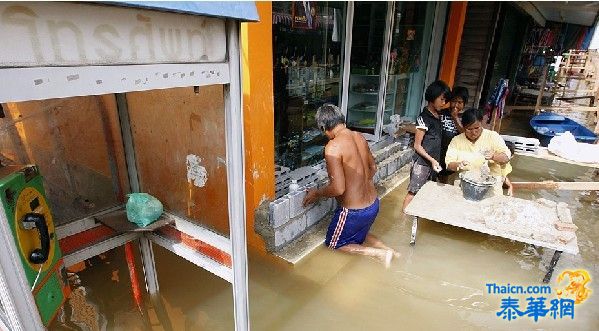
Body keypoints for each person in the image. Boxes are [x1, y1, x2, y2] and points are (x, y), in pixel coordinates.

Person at [302, 104, 399, 268]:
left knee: (334, 244)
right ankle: (391, 251)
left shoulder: (333, 147)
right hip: (373, 204)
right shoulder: (358, 136)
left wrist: (317, 193)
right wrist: (359, 185)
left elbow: (338, 188)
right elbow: (373, 168)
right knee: (360, 235)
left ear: (324, 127)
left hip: (354, 212)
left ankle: (379, 253)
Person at [402, 80, 451, 212]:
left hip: (433, 163)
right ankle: (404, 219)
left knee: (426, 192)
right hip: (422, 163)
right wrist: (432, 160)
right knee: (413, 193)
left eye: (445, 100)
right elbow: (417, 146)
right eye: (441, 99)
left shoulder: (438, 116)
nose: (443, 103)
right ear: (432, 97)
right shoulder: (423, 118)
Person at [445, 108, 512, 195]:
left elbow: (506, 158)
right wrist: (458, 164)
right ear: (463, 127)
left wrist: (494, 156)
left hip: (490, 187)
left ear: (481, 123)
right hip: (464, 185)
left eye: (477, 128)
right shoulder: (457, 140)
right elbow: (449, 164)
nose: (473, 132)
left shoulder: (492, 137)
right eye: (469, 129)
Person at [438, 86, 468, 183]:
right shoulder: (442, 113)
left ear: (464, 104)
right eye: (454, 101)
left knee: (446, 180)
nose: (456, 105)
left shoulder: (466, 117)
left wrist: (455, 117)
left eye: (460, 102)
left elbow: (465, 134)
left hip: (452, 153)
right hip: (438, 150)